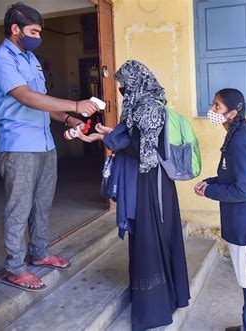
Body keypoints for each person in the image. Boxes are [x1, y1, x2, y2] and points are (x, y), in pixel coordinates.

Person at [0, 2, 100, 291]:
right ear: (15, 29)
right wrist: (74, 103)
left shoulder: (31, 59)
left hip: (45, 143)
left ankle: (40, 253)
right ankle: (15, 268)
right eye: (34, 30)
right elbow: (26, 97)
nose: (38, 36)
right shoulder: (1, 60)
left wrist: (70, 117)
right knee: (18, 207)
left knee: (42, 203)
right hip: (19, 145)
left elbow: (44, 104)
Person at [80, 60, 190, 330]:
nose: (123, 89)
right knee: (148, 239)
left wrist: (108, 139)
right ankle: (162, 298)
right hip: (146, 181)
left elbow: (145, 152)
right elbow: (132, 137)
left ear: (139, 82)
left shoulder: (150, 107)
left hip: (152, 185)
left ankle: (155, 309)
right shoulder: (141, 105)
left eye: (125, 85)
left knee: (150, 240)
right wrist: (109, 135)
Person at [194, 88, 246, 331]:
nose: (212, 110)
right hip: (243, 221)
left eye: (217, 106)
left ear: (233, 112)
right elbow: (234, 176)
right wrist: (212, 182)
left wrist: (210, 191)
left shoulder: (241, 140)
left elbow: (243, 190)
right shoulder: (237, 135)